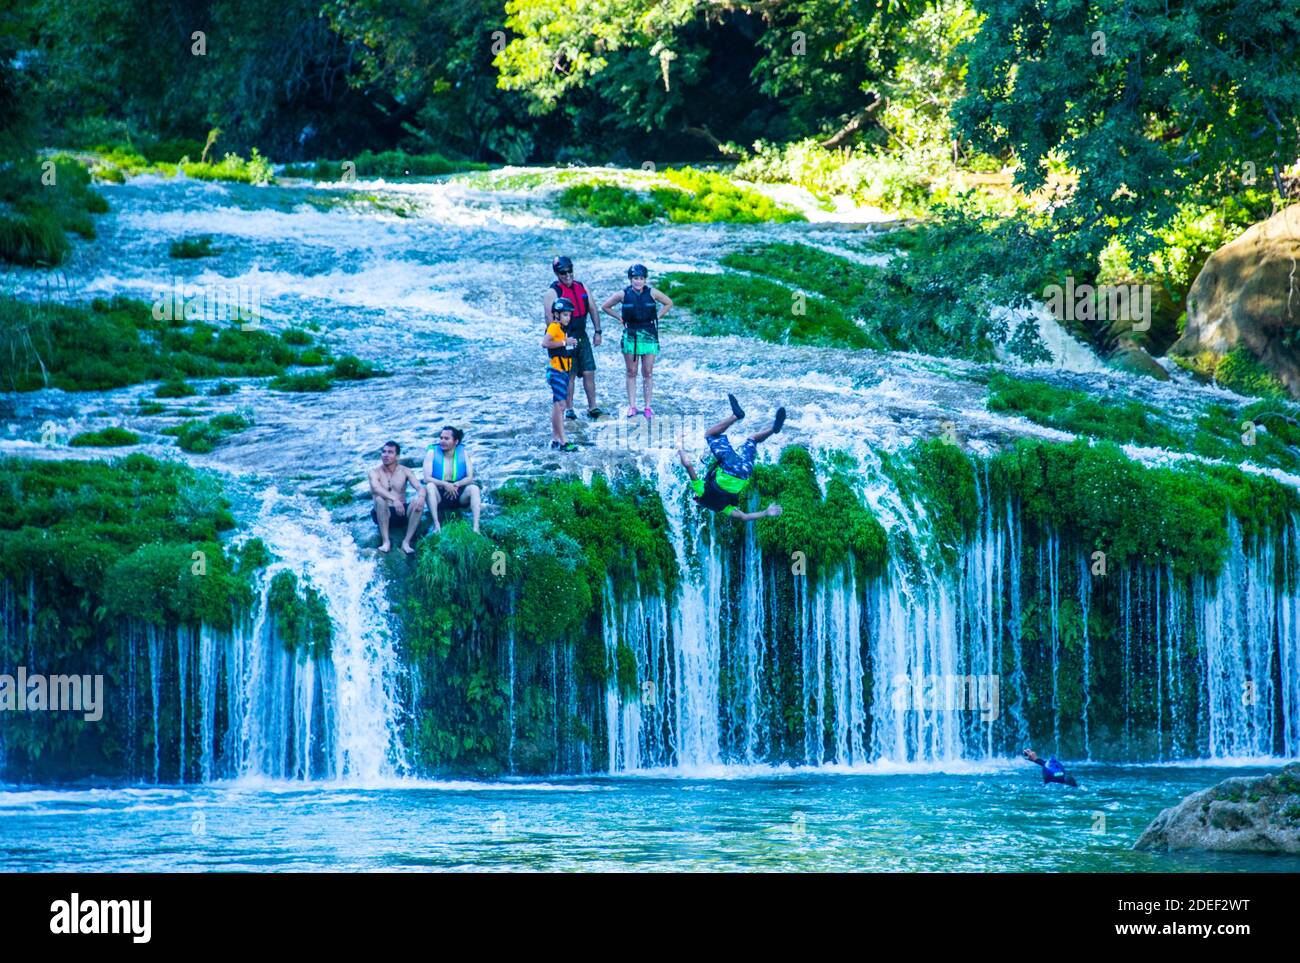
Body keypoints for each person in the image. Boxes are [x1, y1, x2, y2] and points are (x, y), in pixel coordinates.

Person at [677, 393, 785, 523]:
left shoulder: (723, 508)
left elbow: (744, 517)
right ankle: (736, 416)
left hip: (745, 472)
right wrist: (679, 445)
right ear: (698, 499)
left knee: (753, 439)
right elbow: (688, 464)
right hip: (729, 467)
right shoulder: (700, 491)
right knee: (710, 434)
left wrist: (766, 512)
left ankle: (773, 429)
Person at [601, 263, 672, 419]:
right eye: (635, 278)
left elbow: (668, 303)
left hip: (649, 335)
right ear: (630, 279)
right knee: (631, 371)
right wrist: (619, 318)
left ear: (645, 279)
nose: (638, 281)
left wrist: (657, 317)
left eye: (641, 278)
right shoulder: (622, 294)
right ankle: (632, 406)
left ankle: (647, 406)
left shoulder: (652, 292)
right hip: (631, 335)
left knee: (647, 372)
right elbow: (605, 306)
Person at [543, 256, 603, 420]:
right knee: (569, 374)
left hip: (581, 334)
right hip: (565, 337)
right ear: (557, 274)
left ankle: (593, 407)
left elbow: (593, 309)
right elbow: (550, 320)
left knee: (589, 371)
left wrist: (598, 331)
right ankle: (569, 409)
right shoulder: (552, 292)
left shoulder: (582, 287)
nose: (568, 275)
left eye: (570, 271)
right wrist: (560, 342)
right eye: (563, 273)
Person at [368, 440, 426, 555]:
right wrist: (394, 499)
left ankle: (406, 542)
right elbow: (376, 488)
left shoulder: (405, 471)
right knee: (380, 499)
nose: (386, 455)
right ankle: (386, 541)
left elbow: (420, 487)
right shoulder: (374, 472)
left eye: (390, 452)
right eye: (384, 452)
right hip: (383, 512)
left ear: (397, 456)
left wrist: (421, 496)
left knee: (417, 502)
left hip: (401, 513)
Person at [422, 426, 482, 533]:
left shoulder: (463, 453)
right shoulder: (431, 452)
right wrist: (445, 484)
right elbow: (427, 478)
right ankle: (437, 525)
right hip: (440, 495)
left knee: (474, 488)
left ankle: (476, 528)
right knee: (429, 487)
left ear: (456, 441)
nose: (442, 441)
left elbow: (470, 477)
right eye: (441, 438)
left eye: (446, 438)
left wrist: (456, 484)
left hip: (458, 494)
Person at [541, 297, 581, 452]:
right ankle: (564, 441)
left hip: (562, 371)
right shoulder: (554, 327)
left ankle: (555, 438)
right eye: (565, 315)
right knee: (561, 405)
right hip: (556, 371)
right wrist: (565, 343)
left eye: (569, 315)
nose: (568, 318)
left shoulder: (562, 330)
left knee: (557, 406)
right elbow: (545, 343)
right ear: (557, 315)